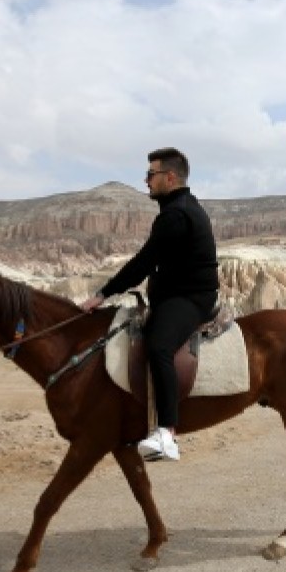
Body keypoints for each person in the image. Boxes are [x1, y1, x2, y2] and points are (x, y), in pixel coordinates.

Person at [80, 148, 219, 462]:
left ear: (170, 177)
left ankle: (167, 433)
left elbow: (143, 263)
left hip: (190, 298)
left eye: (151, 174)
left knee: (159, 346)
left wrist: (103, 294)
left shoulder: (176, 214)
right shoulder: (180, 207)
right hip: (178, 293)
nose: (146, 180)